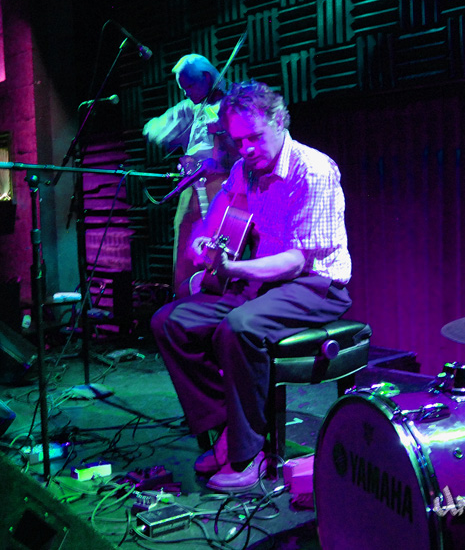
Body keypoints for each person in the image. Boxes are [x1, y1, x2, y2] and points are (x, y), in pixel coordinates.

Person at [150, 80, 352, 492]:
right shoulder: (244, 169)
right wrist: (201, 240)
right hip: (263, 282)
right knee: (170, 322)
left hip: (316, 285)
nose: (245, 149)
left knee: (239, 327)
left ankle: (250, 453)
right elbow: (218, 214)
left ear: (279, 122)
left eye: (254, 137)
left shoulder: (312, 170)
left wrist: (235, 268)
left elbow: (297, 260)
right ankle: (228, 427)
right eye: (238, 140)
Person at [142, 54, 237, 295]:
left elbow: (241, 154)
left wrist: (222, 132)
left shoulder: (232, 104)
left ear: (207, 77)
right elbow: (153, 129)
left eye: (190, 86)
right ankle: (185, 297)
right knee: (185, 245)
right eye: (183, 88)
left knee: (218, 247)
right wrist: (178, 135)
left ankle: (218, 297)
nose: (186, 93)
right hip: (192, 186)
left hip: (222, 186)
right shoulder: (191, 108)